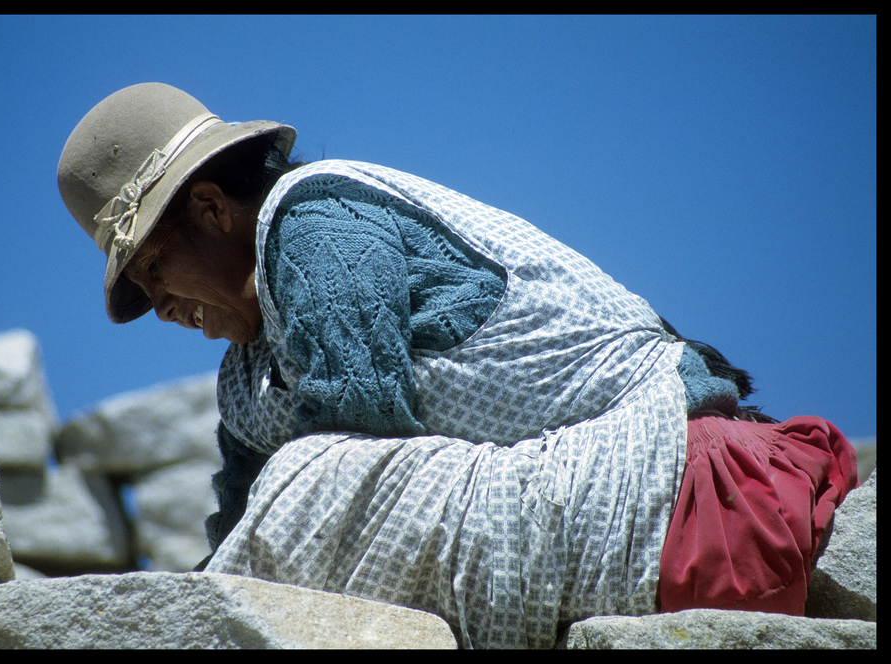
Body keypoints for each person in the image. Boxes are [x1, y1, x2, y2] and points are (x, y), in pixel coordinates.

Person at [58, 83, 858, 648]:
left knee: (315, 480)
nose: (159, 306)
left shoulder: (316, 221)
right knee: (287, 495)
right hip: (634, 509)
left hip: (692, 496)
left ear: (209, 207)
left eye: (155, 270)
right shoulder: (249, 377)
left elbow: (353, 429)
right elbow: (242, 528)